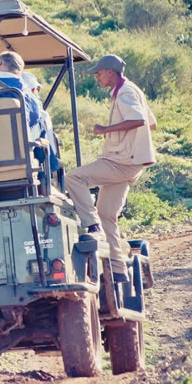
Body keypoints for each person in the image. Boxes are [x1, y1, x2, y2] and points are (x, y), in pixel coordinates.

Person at [64, 54, 156, 282]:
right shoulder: (130, 90)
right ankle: (118, 269)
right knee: (107, 214)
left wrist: (106, 130)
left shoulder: (125, 93)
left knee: (73, 178)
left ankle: (90, 224)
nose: (97, 77)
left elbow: (139, 121)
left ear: (109, 72)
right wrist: (130, 142)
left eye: (99, 73)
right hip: (129, 161)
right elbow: (151, 123)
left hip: (121, 162)